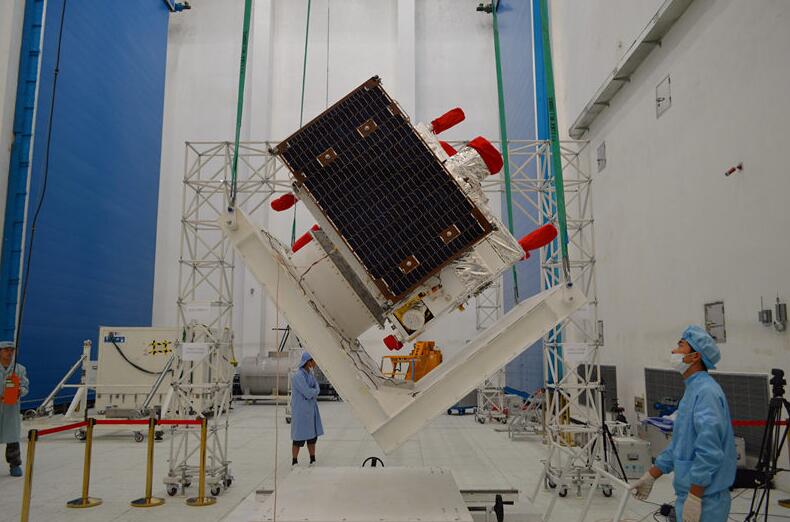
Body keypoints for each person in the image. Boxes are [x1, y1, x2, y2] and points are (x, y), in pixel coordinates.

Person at [631, 326, 736, 522]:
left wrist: (695, 496)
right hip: (690, 494)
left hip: (706, 500)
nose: (673, 351)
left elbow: (709, 449)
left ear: (695, 356)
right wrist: (651, 475)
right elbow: (680, 445)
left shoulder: (707, 392)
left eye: (680, 346)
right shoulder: (692, 390)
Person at [0, 341, 29, 477]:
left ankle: (15, 464)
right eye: (6, 350)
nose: (10, 353)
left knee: (12, 436)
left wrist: (19, 391)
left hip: (11, 407)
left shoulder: (19, 369)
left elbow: (25, 386)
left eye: (12, 350)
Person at [291, 352, 323, 467]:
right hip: (301, 411)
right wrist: (314, 391)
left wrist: (314, 391)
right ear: (308, 361)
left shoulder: (310, 374)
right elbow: (308, 392)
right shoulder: (298, 376)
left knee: (312, 437)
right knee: (298, 437)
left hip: (311, 410)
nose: (315, 363)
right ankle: (294, 461)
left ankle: (312, 459)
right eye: (313, 361)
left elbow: (317, 387)